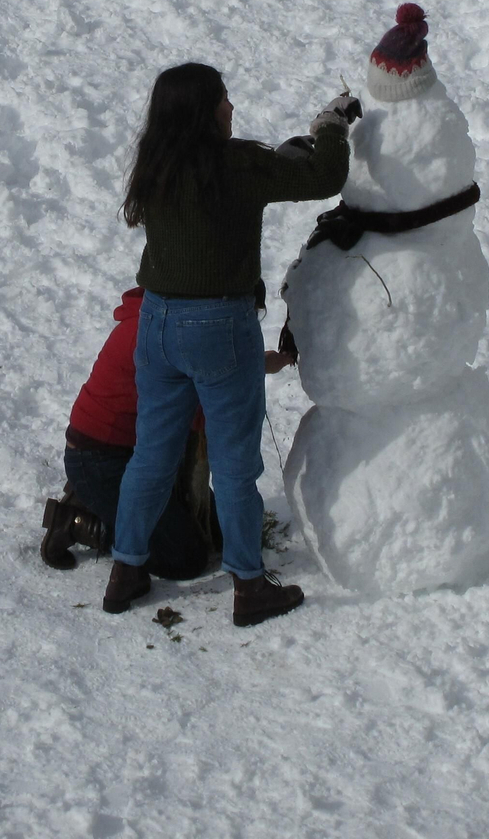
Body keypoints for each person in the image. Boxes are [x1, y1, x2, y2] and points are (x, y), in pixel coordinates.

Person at [101, 63, 354, 627]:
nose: (232, 107)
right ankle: (247, 584)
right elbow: (321, 178)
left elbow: (269, 166)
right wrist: (332, 126)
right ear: (204, 111)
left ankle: (126, 570)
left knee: (152, 455)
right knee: (236, 466)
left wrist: (296, 146)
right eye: (223, 100)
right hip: (219, 328)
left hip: (157, 325)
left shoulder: (157, 164)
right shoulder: (234, 164)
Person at [41, 288, 299, 578]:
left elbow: (212, 367)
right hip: (99, 459)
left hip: (144, 453)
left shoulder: (174, 320)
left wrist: (261, 363)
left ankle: (106, 504)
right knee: (183, 557)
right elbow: (207, 401)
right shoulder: (169, 335)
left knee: (217, 534)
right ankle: (79, 521)